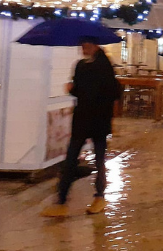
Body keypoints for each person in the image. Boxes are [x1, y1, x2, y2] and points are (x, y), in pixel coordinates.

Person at [42, 37, 122, 218]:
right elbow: (80, 90)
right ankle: (61, 201)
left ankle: (99, 196)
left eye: (85, 46)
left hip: (99, 121)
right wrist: (72, 88)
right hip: (81, 120)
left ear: (94, 46)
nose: (82, 49)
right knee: (70, 159)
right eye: (81, 45)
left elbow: (112, 92)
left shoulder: (104, 66)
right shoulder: (80, 65)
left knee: (99, 159)